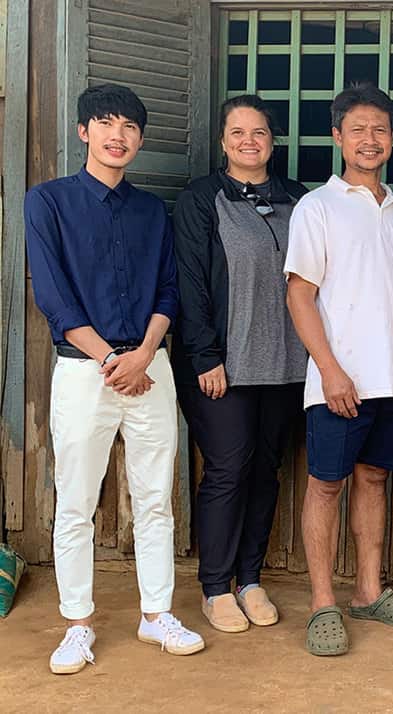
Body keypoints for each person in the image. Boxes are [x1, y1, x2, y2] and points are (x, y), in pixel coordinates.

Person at [24, 84, 205, 675]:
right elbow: (53, 295)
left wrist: (145, 352)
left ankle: (157, 615)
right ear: (83, 132)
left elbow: (168, 291)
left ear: (140, 139)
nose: (118, 135)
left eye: (129, 126)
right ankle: (77, 624)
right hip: (84, 370)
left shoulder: (153, 210)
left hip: (150, 368)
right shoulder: (47, 202)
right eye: (105, 122)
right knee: (76, 501)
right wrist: (110, 360)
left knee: (156, 498)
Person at [285, 84, 393, 657]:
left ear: (392, 139)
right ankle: (323, 602)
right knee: (325, 485)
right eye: (358, 129)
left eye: (381, 130)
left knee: (374, 480)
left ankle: (369, 591)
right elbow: (300, 296)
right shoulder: (317, 207)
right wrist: (330, 370)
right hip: (339, 379)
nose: (370, 140)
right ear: (337, 137)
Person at [172, 95, 307, 633]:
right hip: (222, 363)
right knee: (228, 468)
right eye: (237, 132)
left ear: (273, 140)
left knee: (265, 470)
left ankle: (249, 579)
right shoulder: (202, 199)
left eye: (259, 132)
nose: (249, 141)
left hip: (286, 361)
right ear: (222, 140)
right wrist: (205, 354)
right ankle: (214, 586)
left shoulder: (298, 198)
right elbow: (190, 282)